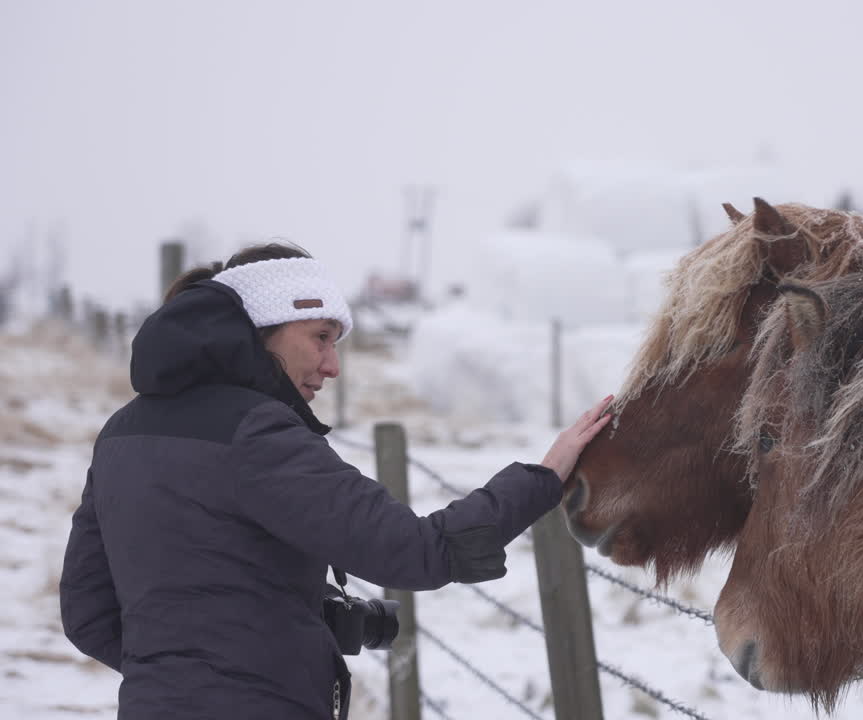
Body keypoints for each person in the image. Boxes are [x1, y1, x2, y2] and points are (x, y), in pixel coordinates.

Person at [58, 243, 611, 719]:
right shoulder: (258, 434)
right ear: (262, 332)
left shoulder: (121, 432)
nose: (332, 366)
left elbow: (88, 613)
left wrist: (183, 671)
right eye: (320, 337)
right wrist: (543, 477)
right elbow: (418, 551)